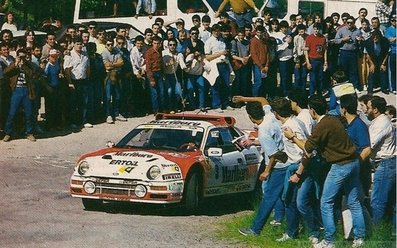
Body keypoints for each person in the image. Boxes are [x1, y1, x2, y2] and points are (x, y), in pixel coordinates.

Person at [283, 95, 365, 248]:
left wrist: (293, 137)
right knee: (354, 202)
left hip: (340, 166)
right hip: (354, 162)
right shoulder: (334, 119)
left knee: (326, 202)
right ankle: (360, 238)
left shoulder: (321, 125)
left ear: (312, 111)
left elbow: (308, 148)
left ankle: (329, 241)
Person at [237, 97, 287, 237]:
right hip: (286, 159)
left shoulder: (263, 131)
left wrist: (266, 171)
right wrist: (244, 99)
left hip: (279, 165)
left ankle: (255, 229)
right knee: (284, 195)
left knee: (269, 196)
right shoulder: (270, 115)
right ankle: (279, 219)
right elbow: (263, 100)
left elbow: (273, 155)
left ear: (251, 117)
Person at [365, 96, 396, 229]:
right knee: (390, 201)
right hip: (388, 164)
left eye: (368, 108)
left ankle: (377, 233)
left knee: (377, 201)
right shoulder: (379, 121)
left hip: (385, 164)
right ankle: (391, 231)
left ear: (375, 110)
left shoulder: (381, 124)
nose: (365, 111)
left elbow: (368, 145)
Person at [2, 49, 41, 142]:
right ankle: (8, 133)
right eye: (20, 56)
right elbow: (5, 72)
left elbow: (32, 74)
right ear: (17, 56)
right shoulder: (13, 64)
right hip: (16, 90)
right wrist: (16, 63)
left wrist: (24, 65)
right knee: (12, 112)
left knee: (29, 112)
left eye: (23, 56)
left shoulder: (29, 65)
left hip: (27, 90)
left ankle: (29, 132)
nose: (22, 58)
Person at [63, 37, 92, 129]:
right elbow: (67, 70)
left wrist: (87, 78)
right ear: (73, 44)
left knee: (84, 102)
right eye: (77, 44)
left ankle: (83, 120)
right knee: (73, 103)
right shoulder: (69, 55)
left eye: (80, 44)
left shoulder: (85, 54)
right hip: (73, 81)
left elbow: (87, 68)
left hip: (83, 80)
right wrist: (69, 82)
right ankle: (73, 122)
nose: (79, 46)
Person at [102, 38, 127, 124]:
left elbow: (122, 63)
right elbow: (107, 66)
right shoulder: (104, 53)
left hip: (117, 75)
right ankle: (108, 114)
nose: (110, 46)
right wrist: (116, 64)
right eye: (108, 44)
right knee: (108, 97)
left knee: (117, 96)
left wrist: (112, 64)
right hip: (108, 76)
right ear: (105, 45)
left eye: (111, 44)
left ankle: (117, 113)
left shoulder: (117, 51)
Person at [334, 15, 362, 91]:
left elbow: (360, 43)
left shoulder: (357, 31)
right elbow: (335, 40)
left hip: (353, 52)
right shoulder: (341, 30)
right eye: (348, 22)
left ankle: (355, 87)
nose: (349, 24)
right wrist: (343, 39)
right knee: (343, 70)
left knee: (353, 70)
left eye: (351, 23)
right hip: (343, 52)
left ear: (354, 23)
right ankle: (344, 86)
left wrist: (359, 41)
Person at [363, 30, 390, 94]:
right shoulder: (368, 42)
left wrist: (383, 63)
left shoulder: (385, 41)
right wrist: (372, 64)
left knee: (382, 71)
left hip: (381, 58)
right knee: (371, 73)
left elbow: (387, 53)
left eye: (376, 37)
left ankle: (384, 88)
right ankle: (370, 90)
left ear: (380, 37)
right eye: (373, 37)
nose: (375, 38)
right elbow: (367, 54)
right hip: (372, 59)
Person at [305, 22, 327, 96]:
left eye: (317, 29)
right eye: (315, 29)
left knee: (320, 79)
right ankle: (311, 95)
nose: (316, 31)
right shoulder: (309, 38)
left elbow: (325, 51)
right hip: (312, 60)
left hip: (320, 60)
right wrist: (308, 62)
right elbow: (306, 51)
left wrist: (325, 62)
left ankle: (319, 94)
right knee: (313, 79)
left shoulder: (323, 38)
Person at [145, 35, 164, 114]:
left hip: (159, 73)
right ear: (152, 43)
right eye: (154, 43)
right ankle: (156, 110)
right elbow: (148, 67)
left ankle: (162, 109)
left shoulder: (160, 51)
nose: (156, 45)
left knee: (162, 92)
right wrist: (151, 79)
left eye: (157, 43)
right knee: (154, 93)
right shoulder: (149, 52)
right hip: (152, 73)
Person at [231, 27, 251, 98]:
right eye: (239, 35)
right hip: (237, 64)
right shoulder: (234, 42)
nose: (241, 37)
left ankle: (243, 98)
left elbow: (250, 52)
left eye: (242, 35)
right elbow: (232, 55)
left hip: (245, 64)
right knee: (237, 82)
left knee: (244, 82)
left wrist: (247, 58)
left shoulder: (247, 43)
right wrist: (241, 59)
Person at [250, 25, 269, 97]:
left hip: (264, 64)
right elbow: (254, 55)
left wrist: (266, 65)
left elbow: (267, 53)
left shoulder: (264, 40)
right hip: (258, 65)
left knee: (264, 82)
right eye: (258, 32)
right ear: (256, 32)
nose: (259, 34)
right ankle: (255, 99)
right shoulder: (253, 41)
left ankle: (262, 98)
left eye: (261, 32)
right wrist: (261, 67)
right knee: (258, 82)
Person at [293, 24, 308, 91]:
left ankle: (303, 91)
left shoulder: (308, 37)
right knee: (297, 76)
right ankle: (297, 91)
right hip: (298, 58)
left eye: (303, 29)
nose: (301, 31)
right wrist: (297, 61)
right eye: (300, 29)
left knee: (304, 76)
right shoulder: (296, 37)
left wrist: (306, 60)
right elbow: (295, 49)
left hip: (305, 57)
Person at [385, 14, 396, 94]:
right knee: (393, 71)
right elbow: (390, 40)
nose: (395, 22)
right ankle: (393, 88)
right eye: (393, 20)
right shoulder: (388, 30)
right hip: (393, 52)